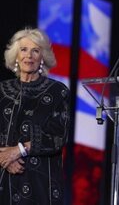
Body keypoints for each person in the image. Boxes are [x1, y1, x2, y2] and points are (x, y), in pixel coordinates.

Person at [0, 28, 70, 204]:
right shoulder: (1, 90)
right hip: (3, 178)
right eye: (23, 50)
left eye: (35, 51)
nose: (28, 55)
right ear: (16, 55)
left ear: (42, 57)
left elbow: (58, 137)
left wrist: (19, 150)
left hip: (39, 182)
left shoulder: (57, 92)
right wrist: (4, 159)